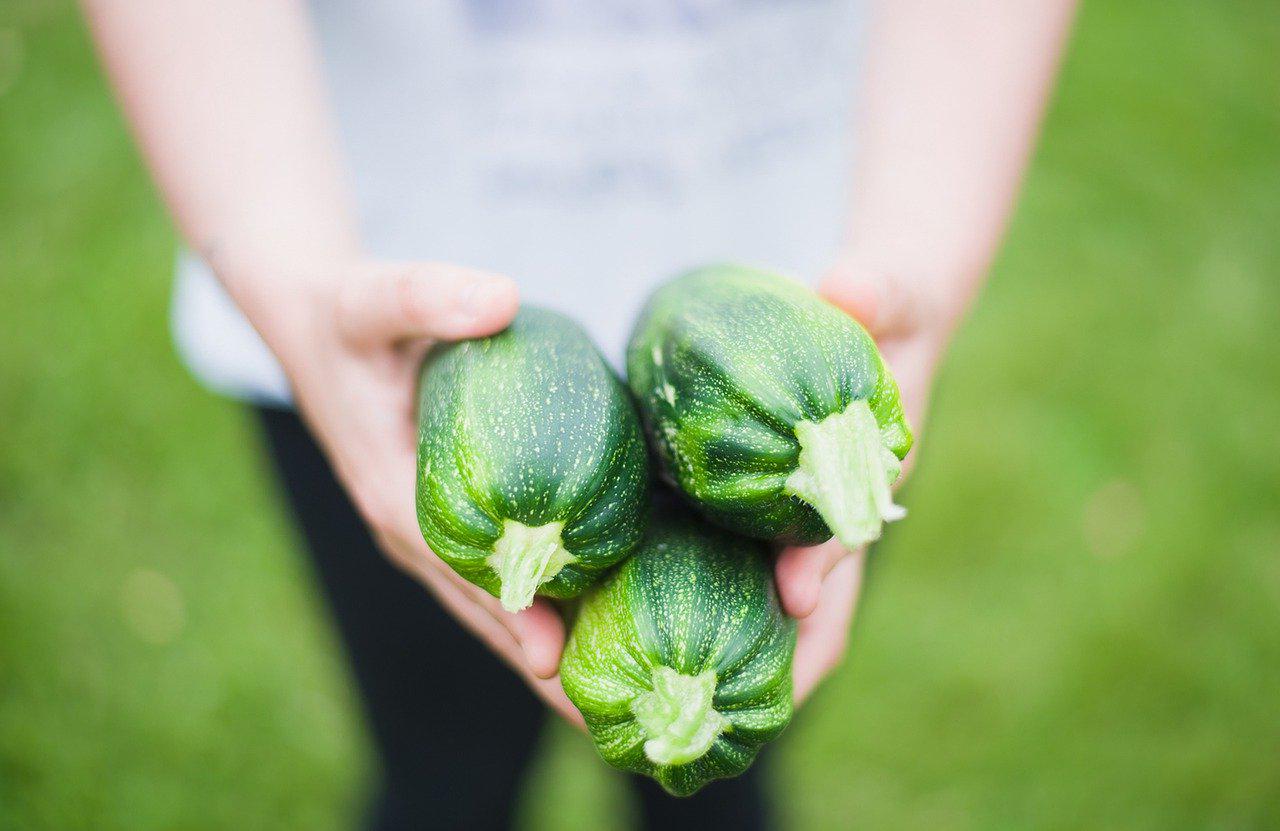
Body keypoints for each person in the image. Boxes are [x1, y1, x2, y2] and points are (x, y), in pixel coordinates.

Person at [82, 1, 1076, 827]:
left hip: (798, 296)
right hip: (359, 300)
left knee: (717, 782)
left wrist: (923, 255)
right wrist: (288, 282)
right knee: (441, 769)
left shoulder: (828, 400)